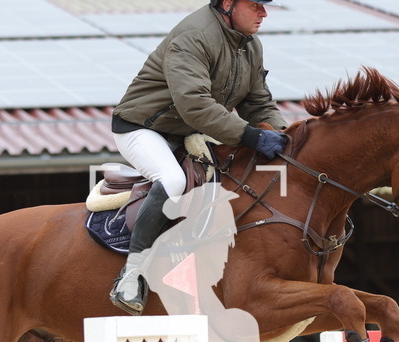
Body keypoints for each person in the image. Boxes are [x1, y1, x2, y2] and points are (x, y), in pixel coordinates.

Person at [109, 0, 289, 314]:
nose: (264, 13)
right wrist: (253, 136)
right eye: (255, 4)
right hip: (144, 128)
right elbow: (194, 103)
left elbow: (258, 104)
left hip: (191, 131)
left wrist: (286, 137)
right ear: (228, 3)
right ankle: (131, 275)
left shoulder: (250, 45)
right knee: (173, 180)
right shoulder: (194, 36)